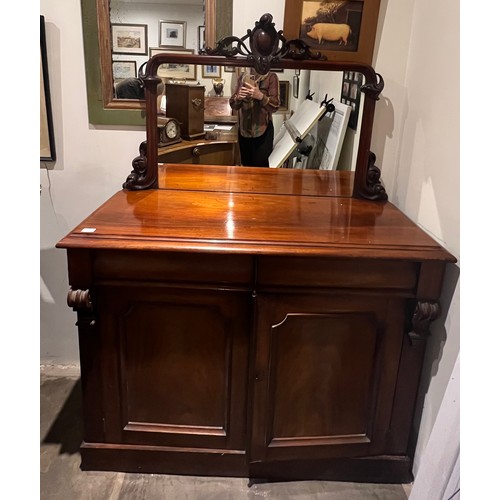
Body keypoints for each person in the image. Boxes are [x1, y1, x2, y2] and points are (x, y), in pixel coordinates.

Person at [229, 69, 280, 167]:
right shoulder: (243, 77)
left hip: (263, 132)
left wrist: (261, 96)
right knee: (246, 168)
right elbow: (233, 105)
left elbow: (275, 106)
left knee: (261, 169)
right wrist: (238, 98)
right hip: (244, 132)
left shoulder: (271, 77)